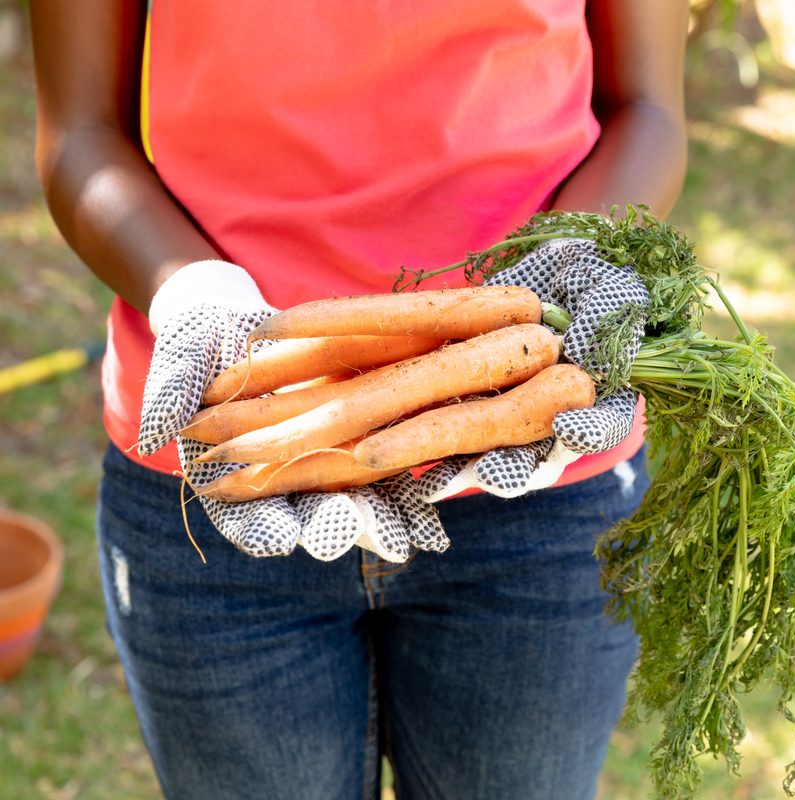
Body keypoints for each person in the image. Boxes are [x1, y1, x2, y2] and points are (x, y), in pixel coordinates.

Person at [28, 1, 688, 798]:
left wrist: (582, 251)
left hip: (543, 475)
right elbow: (79, 134)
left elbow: (648, 106)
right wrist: (194, 297)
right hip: (224, 449)